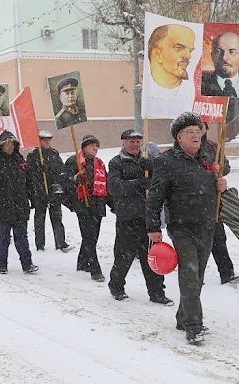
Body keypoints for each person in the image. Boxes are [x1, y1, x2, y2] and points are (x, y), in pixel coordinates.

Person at [146, 112, 227, 345]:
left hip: (207, 226)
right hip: (182, 228)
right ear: (178, 138)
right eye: (189, 132)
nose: (196, 135)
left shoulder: (207, 159)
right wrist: (153, 226)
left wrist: (219, 184)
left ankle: (183, 317)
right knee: (190, 275)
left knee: (198, 276)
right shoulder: (166, 161)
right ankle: (194, 325)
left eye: (198, 131)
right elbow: (155, 197)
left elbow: (213, 186)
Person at [107, 129, 173, 304]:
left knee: (151, 257)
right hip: (127, 218)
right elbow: (114, 187)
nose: (135, 144)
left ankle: (157, 292)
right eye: (131, 141)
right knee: (123, 256)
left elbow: (160, 182)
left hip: (148, 218)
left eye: (138, 141)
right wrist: (138, 183)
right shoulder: (116, 163)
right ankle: (116, 286)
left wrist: (151, 171)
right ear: (123, 143)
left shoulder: (148, 162)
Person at [0, 130, 39, 274]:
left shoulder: (20, 162)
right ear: (1, 146)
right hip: (1, 208)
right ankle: (2, 264)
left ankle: (27, 264)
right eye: (6, 144)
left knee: (22, 238)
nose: (9, 147)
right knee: (2, 240)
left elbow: (29, 183)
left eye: (12, 144)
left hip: (20, 207)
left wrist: (33, 198)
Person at [63, 134, 108, 282]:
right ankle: (95, 270)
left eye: (97, 146)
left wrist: (113, 204)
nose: (95, 148)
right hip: (82, 205)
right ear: (84, 147)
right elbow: (64, 183)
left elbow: (106, 185)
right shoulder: (73, 161)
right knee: (88, 237)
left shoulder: (99, 163)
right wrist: (75, 179)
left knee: (92, 237)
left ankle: (82, 263)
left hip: (97, 205)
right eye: (92, 145)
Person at [201, 123, 239, 284]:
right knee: (198, 245)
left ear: (206, 129)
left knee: (219, 239)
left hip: (213, 200)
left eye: (200, 127)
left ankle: (227, 273)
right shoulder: (184, 149)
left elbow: (226, 167)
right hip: (190, 203)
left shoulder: (213, 147)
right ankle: (195, 276)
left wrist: (219, 169)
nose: (197, 131)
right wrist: (208, 170)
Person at [26, 130, 73, 252]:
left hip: (53, 191)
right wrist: (39, 169)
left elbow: (60, 169)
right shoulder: (33, 155)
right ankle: (40, 244)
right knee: (39, 220)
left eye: (48, 140)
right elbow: (30, 175)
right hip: (39, 192)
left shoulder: (54, 153)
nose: (47, 142)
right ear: (39, 141)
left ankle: (60, 242)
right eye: (44, 140)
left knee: (57, 218)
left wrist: (51, 171)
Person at [201, 32, 239, 98]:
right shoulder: (202, 85)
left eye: (232, 52)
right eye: (218, 52)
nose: (224, 58)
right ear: (212, 56)